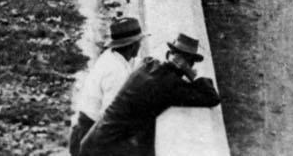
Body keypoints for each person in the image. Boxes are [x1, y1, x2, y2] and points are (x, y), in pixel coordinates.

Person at [79, 31, 221, 155]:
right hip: (106, 149)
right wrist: (191, 75)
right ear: (186, 62)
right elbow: (212, 97)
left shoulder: (147, 64)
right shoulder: (169, 85)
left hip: (93, 141)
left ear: (169, 53)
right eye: (191, 63)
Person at [67, 16, 143, 156]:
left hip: (84, 129)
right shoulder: (115, 72)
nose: (140, 45)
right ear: (132, 46)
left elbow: (137, 64)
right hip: (89, 136)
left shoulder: (113, 56)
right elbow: (111, 117)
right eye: (139, 42)